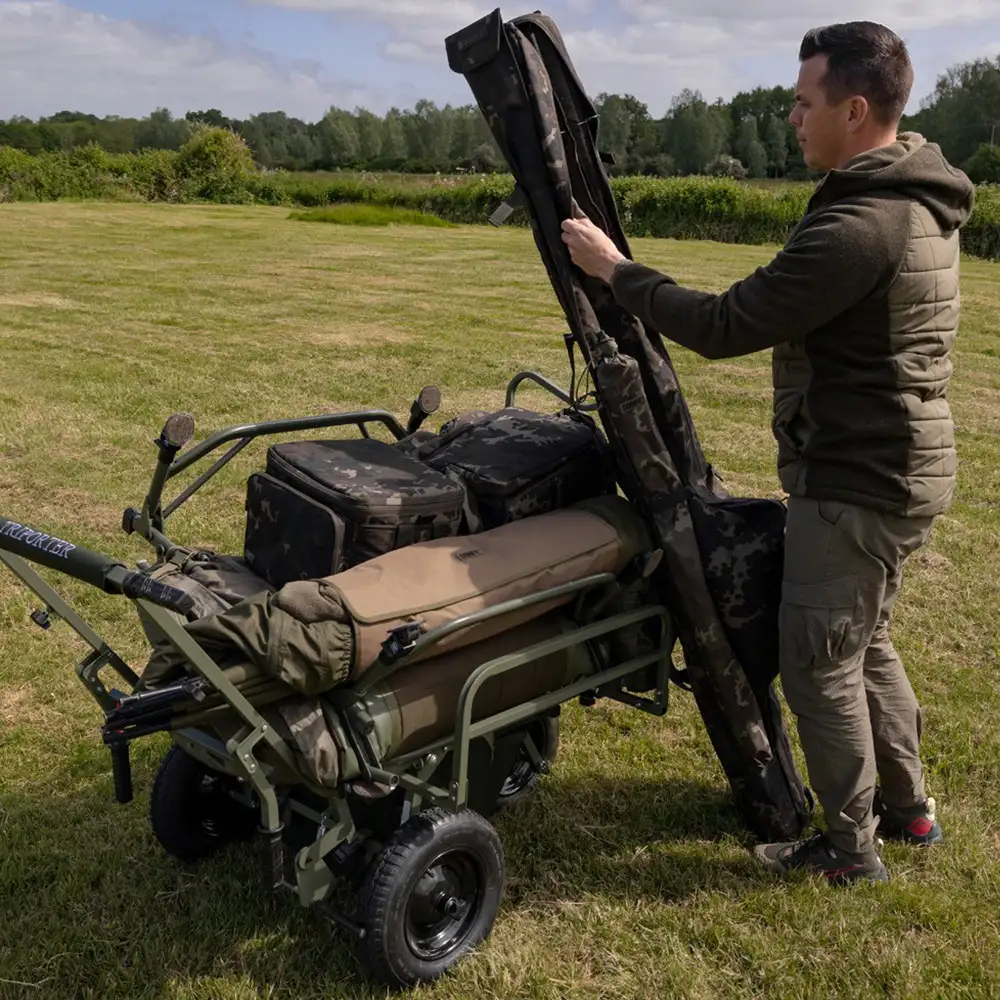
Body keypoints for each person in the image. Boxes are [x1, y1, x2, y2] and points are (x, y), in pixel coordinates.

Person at [561, 20, 975, 885]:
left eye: (802, 101)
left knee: (818, 660)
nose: (791, 116)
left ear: (855, 110)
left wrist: (616, 272)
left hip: (859, 481)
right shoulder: (916, 198)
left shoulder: (862, 225)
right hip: (902, 471)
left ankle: (850, 850)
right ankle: (910, 811)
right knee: (866, 642)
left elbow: (725, 324)